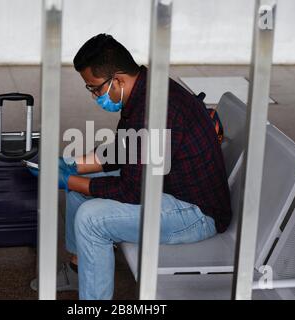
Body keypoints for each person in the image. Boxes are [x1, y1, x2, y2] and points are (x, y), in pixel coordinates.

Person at [29, 33, 232, 300]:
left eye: (95, 88)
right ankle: (80, 272)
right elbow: (122, 150)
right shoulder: (142, 92)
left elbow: (132, 190)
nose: (93, 96)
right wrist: (72, 165)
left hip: (196, 213)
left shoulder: (155, 110)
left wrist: (66, 180)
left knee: (91, 219)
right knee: (80, 189)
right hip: (167, 185)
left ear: (118, 80)